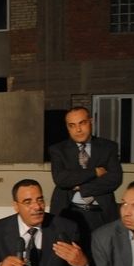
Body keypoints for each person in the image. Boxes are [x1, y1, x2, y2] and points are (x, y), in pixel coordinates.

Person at [49, 106, 123, 250]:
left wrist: (82, 188)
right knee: (69, 257)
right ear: (67, 127)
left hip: (101, 213)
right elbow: (61, 179)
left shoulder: (108, 147)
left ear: (91, 121)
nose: (78, 129)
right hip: (69, 212)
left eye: (82, 123)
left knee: (102, 256)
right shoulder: (58, 150)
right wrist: (94, 172)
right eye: (72, 125)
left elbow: (115, 178)